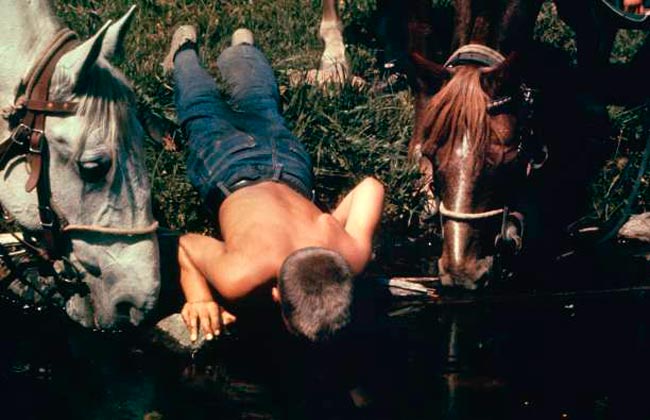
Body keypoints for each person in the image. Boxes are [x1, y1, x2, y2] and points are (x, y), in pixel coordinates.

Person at [162, 26, 385, 343]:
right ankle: (184, 52)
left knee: (262, 105)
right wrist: (200, 297)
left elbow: (371, 187)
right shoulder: (238, 277)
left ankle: (242, 49)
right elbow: (186, 244)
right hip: (227, 170)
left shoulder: (350, 255)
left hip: (286, 164)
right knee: (201, 108)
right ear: (277, 295)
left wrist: (328, 225)